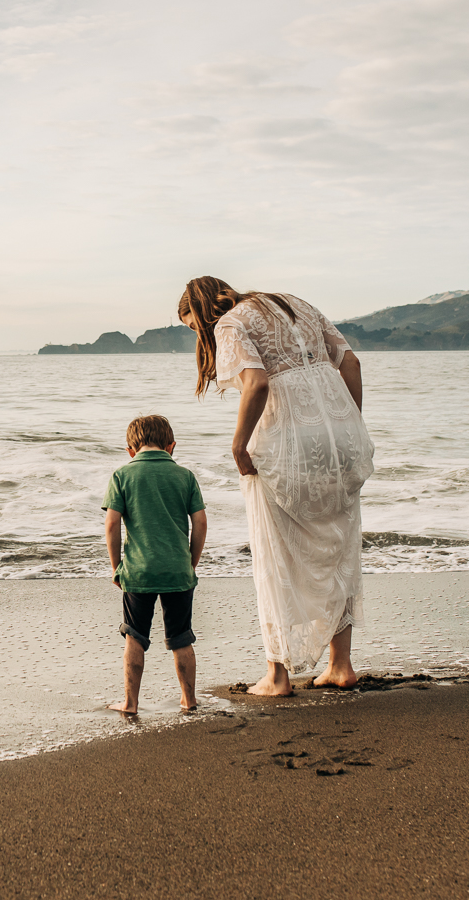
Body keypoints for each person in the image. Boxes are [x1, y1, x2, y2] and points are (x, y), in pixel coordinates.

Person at [178, 276, 373, 697]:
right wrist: (346, 424)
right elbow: (352, 364)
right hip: (340, 432)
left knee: (275, 551)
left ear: (204, 308)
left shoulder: (230, 322)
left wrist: (238, 443)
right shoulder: (294, 302)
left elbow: (258, 382)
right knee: (340, 545)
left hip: (286, 438)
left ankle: (278, 675)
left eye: (195, 327)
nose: (201, 336)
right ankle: (341, 665)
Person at [102, 414, 208, 716]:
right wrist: (191, 563)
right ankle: (189, 700)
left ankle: (131, 703)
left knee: (135, 637)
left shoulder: (122, 476)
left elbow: (112, 524)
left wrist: (116, 567)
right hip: (177, 570)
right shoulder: (185, 477)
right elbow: (200, 522)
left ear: (131, 451)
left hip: (138, 571)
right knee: (181, 638)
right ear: (171, 446)